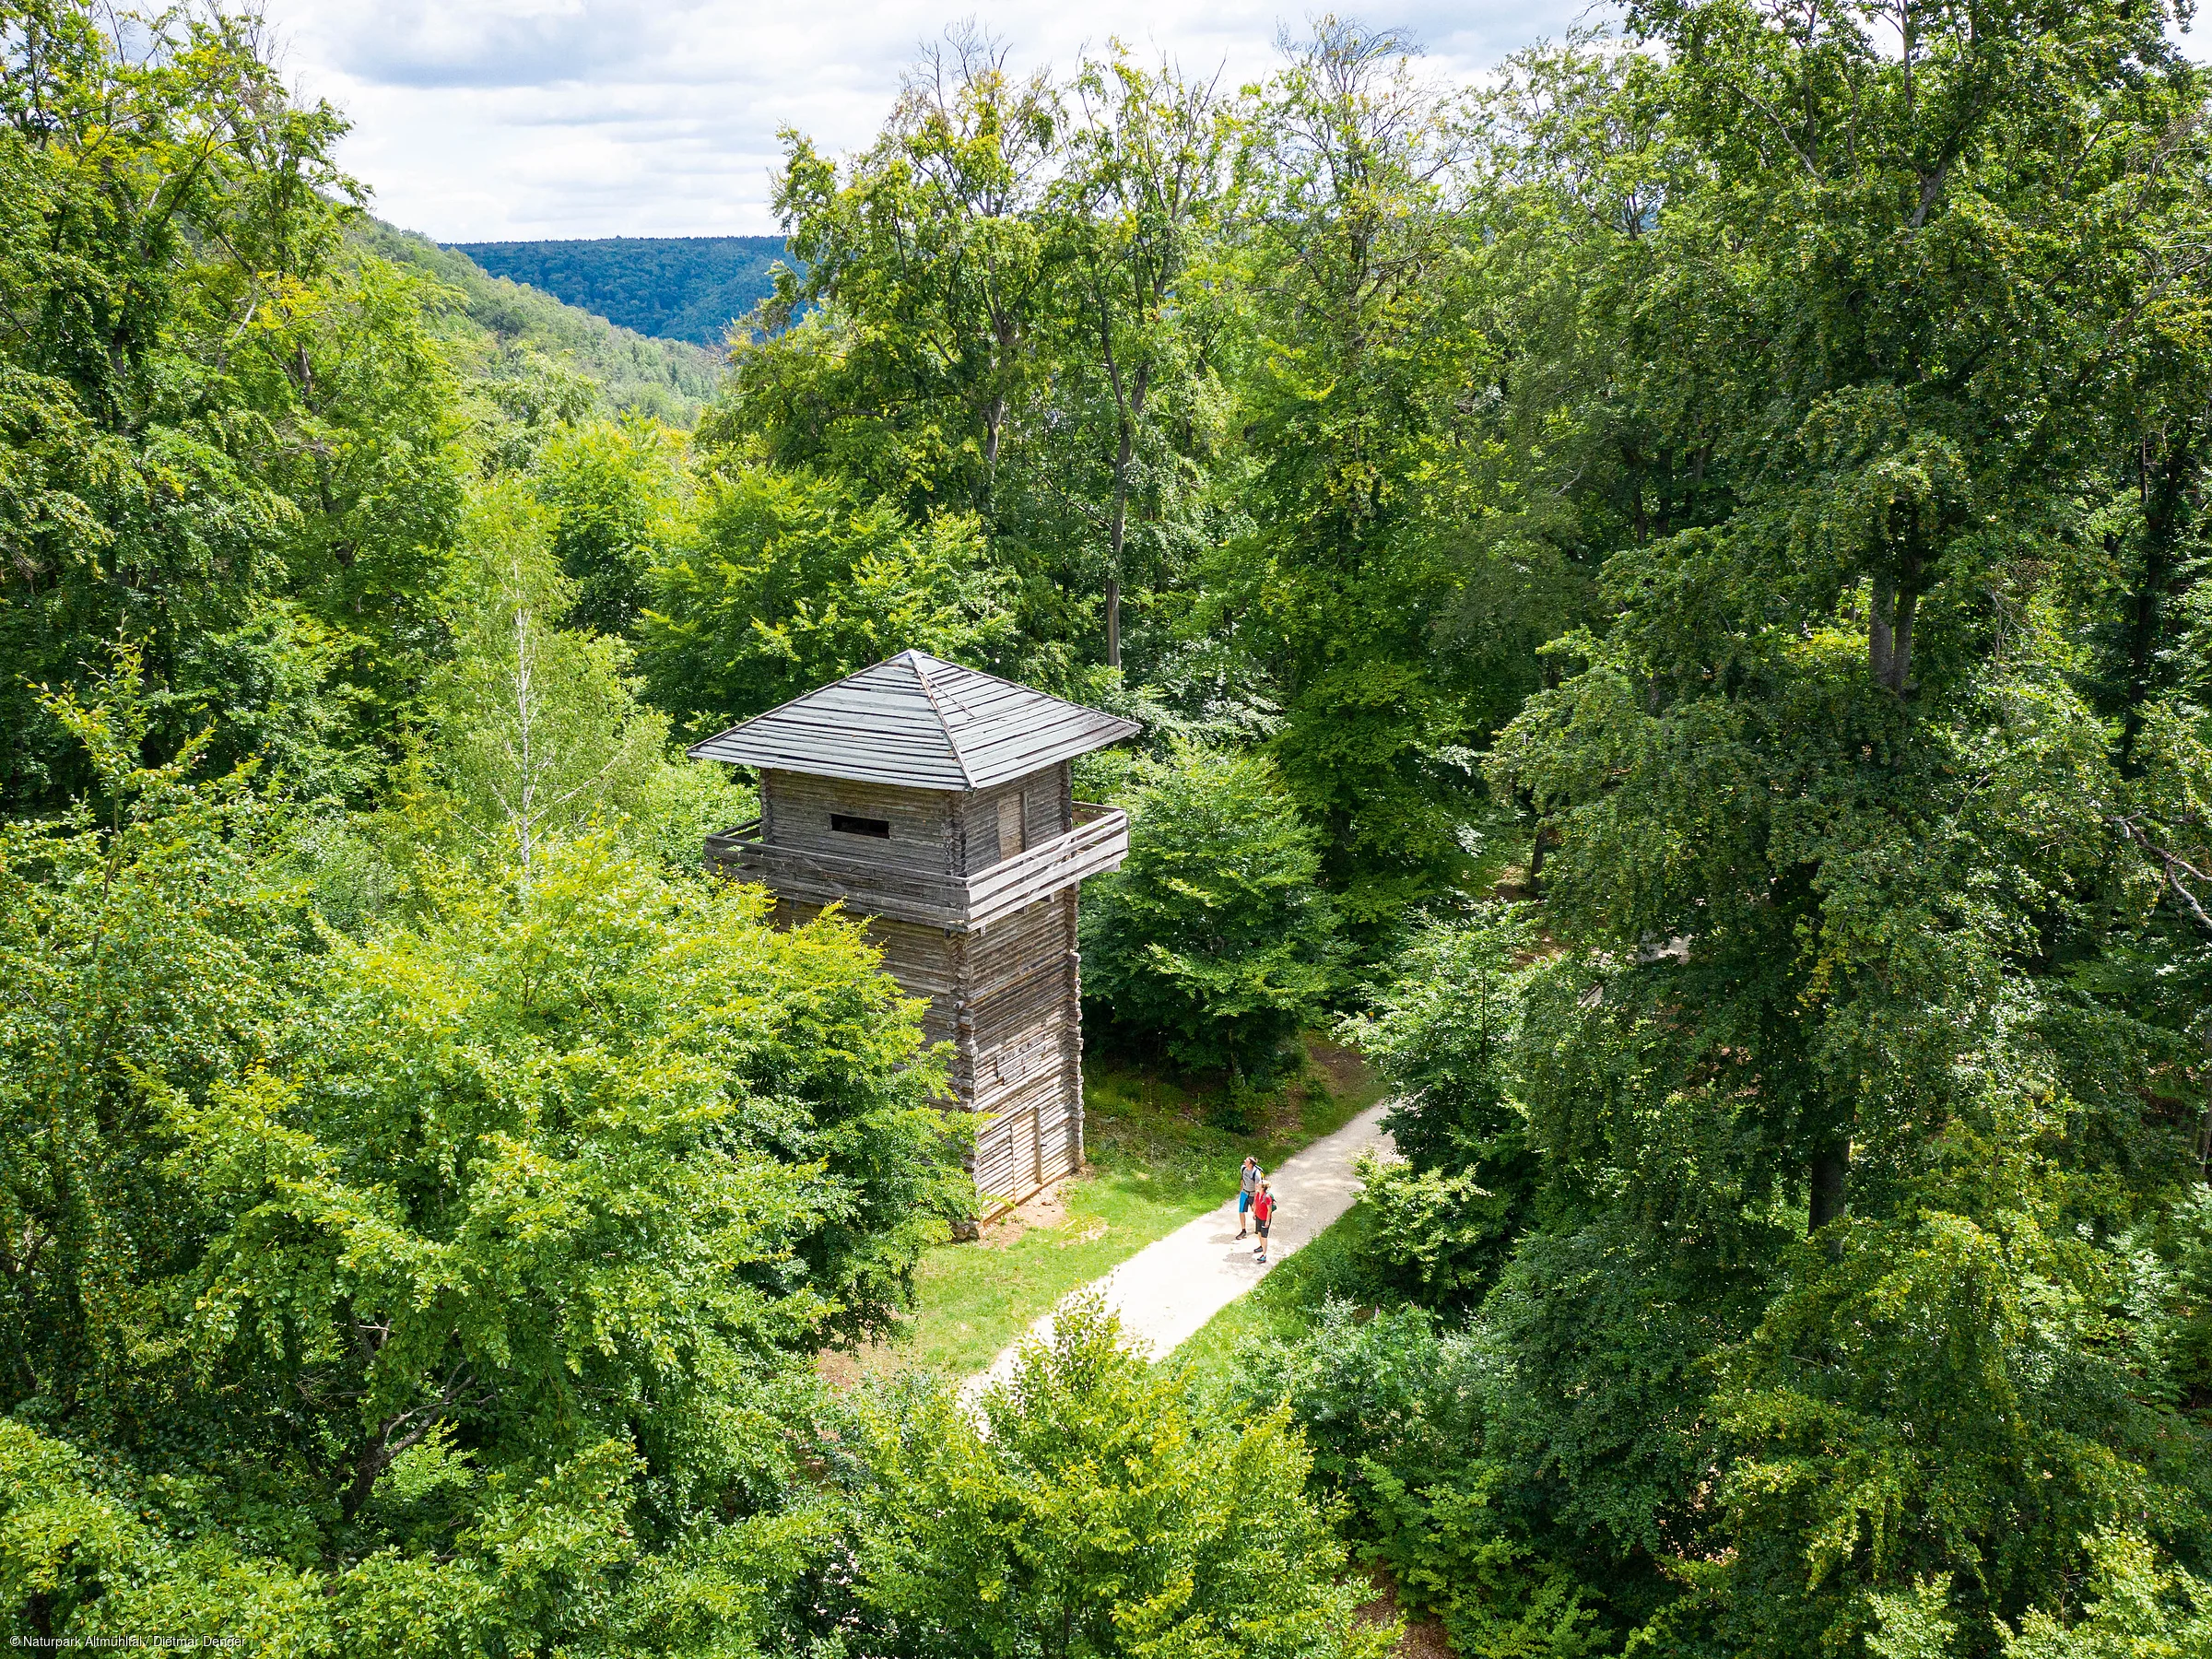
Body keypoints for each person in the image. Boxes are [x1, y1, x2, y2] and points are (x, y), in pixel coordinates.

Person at [1252, 1182, 1276, 1264]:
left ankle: (1264, 1255)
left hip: (1265, 1219)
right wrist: (1254, 1213)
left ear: (1263, 1187)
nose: (1257, 1185)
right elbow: (1256, 1205)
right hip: (1259, 1217)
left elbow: (1269, 1210)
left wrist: (1267, 1221)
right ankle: (1262, 1246)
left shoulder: (1267, 1197)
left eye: (1259, 1184)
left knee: (1264, 1236)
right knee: (1259, 1232)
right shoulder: (1257, 1194)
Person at [1237, 1156, 1260, 1238]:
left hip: (1253, 1194)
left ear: (1250, 1164)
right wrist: (1241, 1191)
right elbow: (1242, 1179)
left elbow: (1257, 1189)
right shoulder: (1243, 1168)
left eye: (1246, 1161)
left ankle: (1259, 1227)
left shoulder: (1256, 1174)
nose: (1244, 1161)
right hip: (1244, 1193)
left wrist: (1254, 1202)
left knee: (1255, 1210)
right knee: (1241, 1211)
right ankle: (1243, 1230)